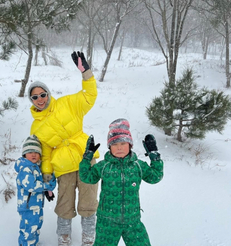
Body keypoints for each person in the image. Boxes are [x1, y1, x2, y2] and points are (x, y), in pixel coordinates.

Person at [27, 51, 99, 246]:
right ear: (31, 101)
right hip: (63, 166)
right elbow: (46, 153)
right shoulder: (36, 127)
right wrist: (47, 177)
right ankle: (64, 239)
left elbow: (90, 95)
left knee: (89, 203)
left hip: (86, 158)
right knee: (64, 205)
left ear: (48, 94)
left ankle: (88, 239)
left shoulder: (68, 103)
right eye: (35, 97)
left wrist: (86, 73)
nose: (40, 99)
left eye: (43, 94)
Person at [79, 118, 164, 246]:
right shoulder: (104, 166)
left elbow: (155, 177)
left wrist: (154, 156)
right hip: (107, 222)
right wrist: (87, 157)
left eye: (123, 144)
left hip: (133, 221)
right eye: (115, 144)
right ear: (109, 147)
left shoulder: (138, 166)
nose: (119, 148)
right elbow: (86, 177)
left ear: (130, 145)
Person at [14, 135, 57, 246]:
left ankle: (34, 243)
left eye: (36, 152)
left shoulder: (35, 168)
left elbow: (39, 184)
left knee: (36, 227)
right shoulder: (25, 168)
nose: (34, 154)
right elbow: (31, 186)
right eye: (30, 152)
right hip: (28, 207)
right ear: (24, 154)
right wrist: (46, 186)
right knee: (28, 230)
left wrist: (47, 189)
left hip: (36, 206)